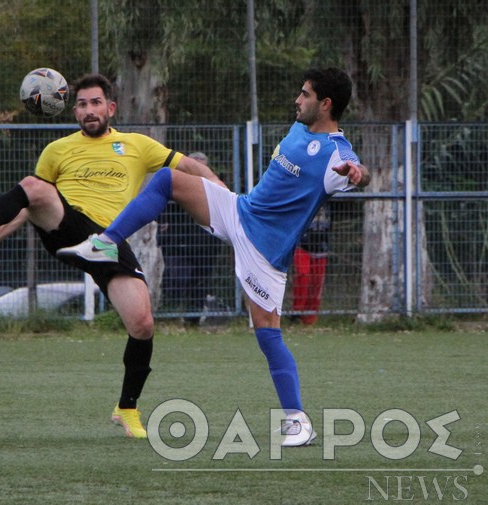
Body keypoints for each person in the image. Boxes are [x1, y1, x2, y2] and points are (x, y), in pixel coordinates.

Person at [58, 68, 371, 446]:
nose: (297, 99)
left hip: (265, 249)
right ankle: (107, 242)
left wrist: (357, 174)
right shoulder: (300, 128)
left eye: (305, 95)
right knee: (167, 179)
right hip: (241, 210)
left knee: (268, 334)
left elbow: (359, 171)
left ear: (325, 104)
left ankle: (297, 421)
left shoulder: (336, 154)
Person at [0, 74, 221, 439]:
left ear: (110, 108)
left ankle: (126, 408)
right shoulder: (58, 150)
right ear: (73, 111)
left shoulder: (137, 145)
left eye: (96, 103)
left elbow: (190, 167)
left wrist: (227, 196)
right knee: (33, 186)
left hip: (108, 241)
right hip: (67, 226)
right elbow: (27, 203)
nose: (89, 110)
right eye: (81, 104)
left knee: (142, 323)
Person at [157, 151, 220, 325]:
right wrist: (163, 222)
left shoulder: (214, 186)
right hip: (177, 243)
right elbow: (158, 205)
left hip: (206, 245)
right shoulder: (174, 184)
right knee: (176, 278)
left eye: (201, 165)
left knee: (200, 283)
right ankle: (168, 317)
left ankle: (193, 320)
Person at [292, 203, 331, 325]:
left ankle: (310, 317)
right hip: (302, 245)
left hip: (321, 246)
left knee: (316, 282)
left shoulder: (328, 201)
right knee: (303, 275)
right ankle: (297, 312)